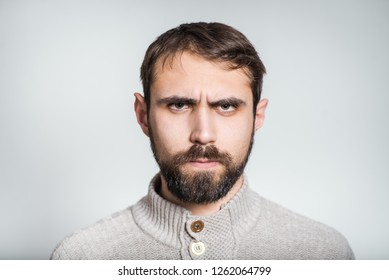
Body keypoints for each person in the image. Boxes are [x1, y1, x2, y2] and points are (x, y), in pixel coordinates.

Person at [51, 22, 354, 260]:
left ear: (257, 118)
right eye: (179, 105)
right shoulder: (82, 259)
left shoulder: (324, 255)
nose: (203, 134)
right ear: (143, 116)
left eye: (226, 106)